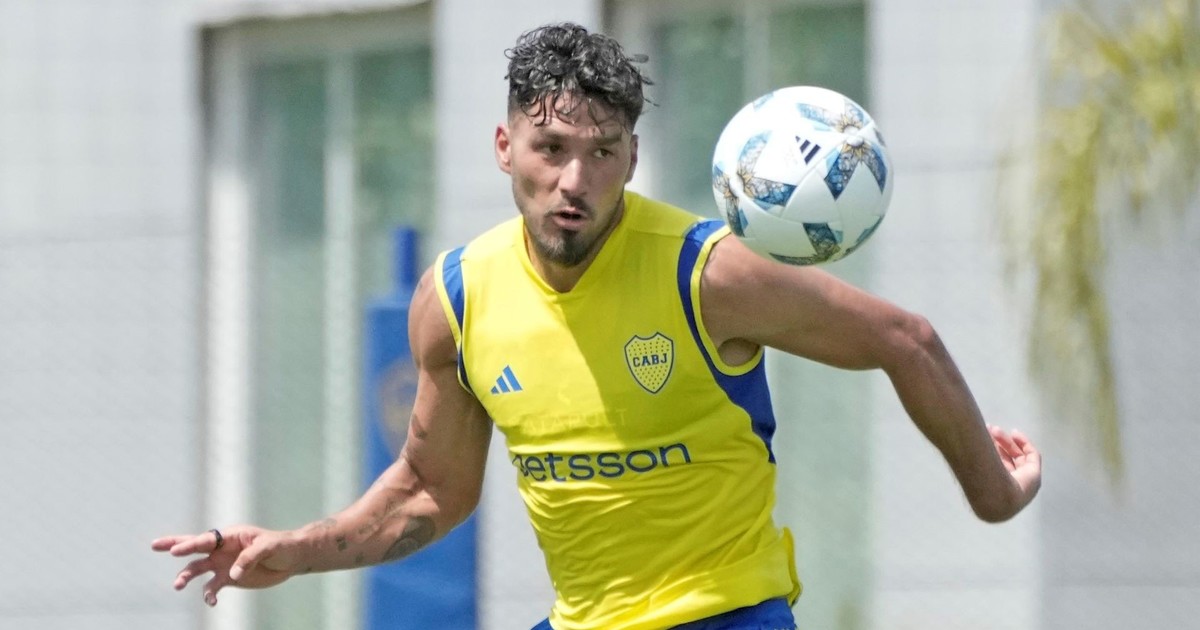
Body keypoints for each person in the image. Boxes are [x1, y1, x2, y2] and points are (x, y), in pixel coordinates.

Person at [152, 22, 1042, 630]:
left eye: (602, 152)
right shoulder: (457, 299)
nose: (574, 181)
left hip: (726, 616)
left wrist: (994, 494)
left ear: (632, 157)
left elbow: (904, 339)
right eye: (551, 150)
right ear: (505, 148)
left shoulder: (707, 275)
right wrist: (294, 551)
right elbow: (429, 491)